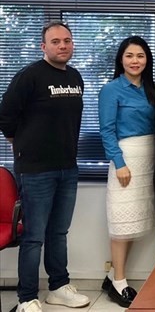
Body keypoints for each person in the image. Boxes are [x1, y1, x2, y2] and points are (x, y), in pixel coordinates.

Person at [0, 21, 90, 312]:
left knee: (58, 232)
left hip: (68, 166)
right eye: (55, 41)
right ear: (43, 46)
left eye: (67, 40)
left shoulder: (76, 77)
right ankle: (27, 298)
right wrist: (18, 140)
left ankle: (58, 287)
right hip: (36, 169)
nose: (62, 45)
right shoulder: (30, 76)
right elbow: (6, 115)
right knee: (34, 235)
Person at [98, 36, 155, 307]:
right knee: (122, 224)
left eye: (141, 56)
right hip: (126, 161)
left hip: (149, 159)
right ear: (120, 59)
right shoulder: (112, 89)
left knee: (135, 222)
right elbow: (106, 131)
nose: (135, 61)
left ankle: (112, 275)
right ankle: (120, 281)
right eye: (130, 56)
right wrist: (119, 163)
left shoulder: (150, 89)